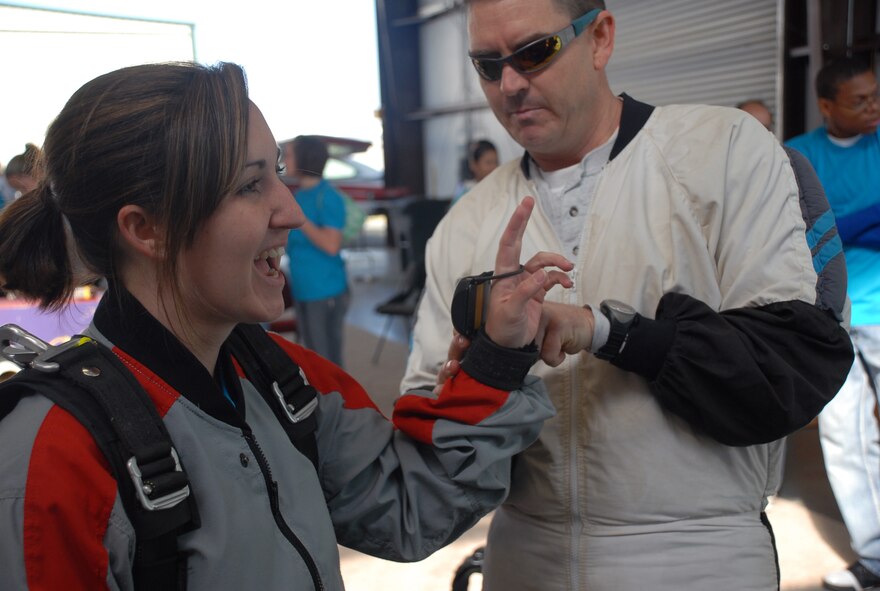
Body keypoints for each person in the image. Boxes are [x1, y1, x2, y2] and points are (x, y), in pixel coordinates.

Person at [0, 61, 579, 590]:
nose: (293, 212)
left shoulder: (284, 379)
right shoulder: (54, 455)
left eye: (277, 172)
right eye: (251, 185)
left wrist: (497, 357)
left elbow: (409, 508)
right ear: (145, 229)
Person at [402, 1, 855, 589]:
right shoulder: (466, 223)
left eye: (535, 52)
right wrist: (490, 366)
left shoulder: (724, 154)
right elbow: (430, 429)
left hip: (698, 552)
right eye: (488, 65)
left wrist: (607, 331)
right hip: (523, 555)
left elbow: (787, 368)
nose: (510, 84)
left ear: (600, 38)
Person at [785, 56, 880, 591]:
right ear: (826, 106)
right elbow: (798, 234)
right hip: (834, 315)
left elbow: (826, 230)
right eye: (859, 100)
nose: (873, 107)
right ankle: (874, 559)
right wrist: (866, 221)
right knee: (846, 439)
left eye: (875, 95)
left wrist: (838, 227)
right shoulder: (803, 155)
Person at [282, 135, 350, 367]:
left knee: (327, 361)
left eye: (289, 153)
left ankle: (338, 403)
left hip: (325, 291)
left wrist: (299, 218)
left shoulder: (328, 197)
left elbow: (331, 245)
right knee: (311, 358)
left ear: (304, 158)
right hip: (303, 289)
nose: (284, 158)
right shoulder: (297, 196)